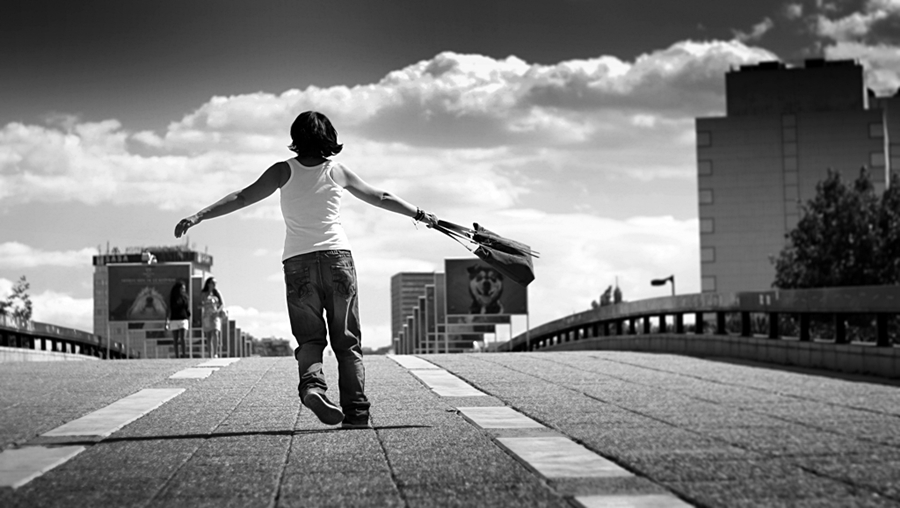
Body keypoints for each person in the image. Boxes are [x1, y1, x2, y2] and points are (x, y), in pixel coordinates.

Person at [174, 111, 437, 429]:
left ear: (295, 138)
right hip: (338, 259)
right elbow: (380, 197)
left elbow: (242, 198)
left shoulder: (282, 171)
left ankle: (313, 387)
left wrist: (199, 215)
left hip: (298, 262)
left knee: (310, 339)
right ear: (330, 137)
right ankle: (356, 412)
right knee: (347, 341)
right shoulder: (336, 171)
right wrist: (419, 214)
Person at [200, 277, 224, 358]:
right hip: (207, 315)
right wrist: (203, 304)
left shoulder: (217, 293)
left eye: (215, 283)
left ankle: (215, 353)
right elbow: (200, 303)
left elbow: (222, 304)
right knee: (208, 335)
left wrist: (217, 311)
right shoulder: (204, 293)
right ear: (208, 284)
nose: (214, 285)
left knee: (215, 332)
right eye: (213, 283)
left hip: (215, 315)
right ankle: (210, 353)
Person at [166, 281, 191, 358]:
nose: (184, 290)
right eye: (182, 288)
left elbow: (187, 308)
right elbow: (169, 309)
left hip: (183, 319)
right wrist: (167, 320)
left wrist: (189, 315)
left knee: (183, 338)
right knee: (175, 339)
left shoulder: (185, 298)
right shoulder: (173, 298)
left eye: (184, 288)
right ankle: (177, 355)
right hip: (174, 319)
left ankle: (184, 355)